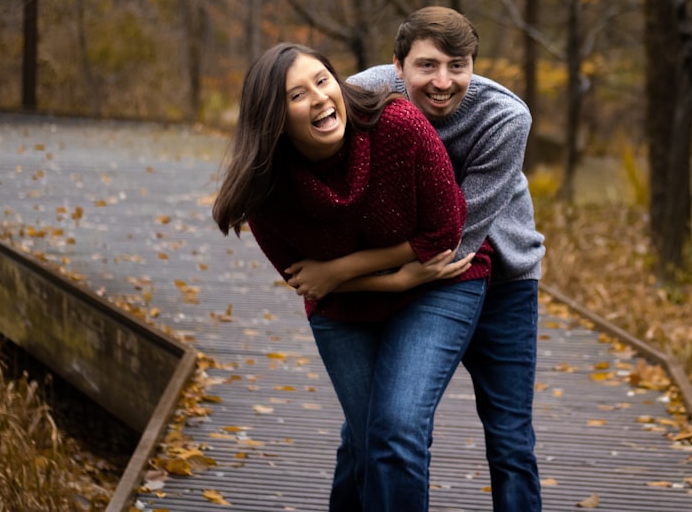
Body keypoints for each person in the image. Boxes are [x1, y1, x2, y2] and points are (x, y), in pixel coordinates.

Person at [211, 42, 492, 512]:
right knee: (368, 440)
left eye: (323, 81)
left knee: (396, 430)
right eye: (297, 95)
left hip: (441, 282)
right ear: (274, 118)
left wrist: (346, 269)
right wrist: (393, 278)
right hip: (346, 306)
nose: (320, 98)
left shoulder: (397, 126)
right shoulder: (267, 185)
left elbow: (446, 230)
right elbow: (303, 280)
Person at [349, 6, 545, 511]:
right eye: (428, 65)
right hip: (418, 279)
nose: (443, 81)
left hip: (500, 280)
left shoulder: (505, 117)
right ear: (397, 65)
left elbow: (457, 233)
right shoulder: (362, 96)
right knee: (376, 427)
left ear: (473, 65)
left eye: (458, 65)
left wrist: (356, 275)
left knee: (511, 441)